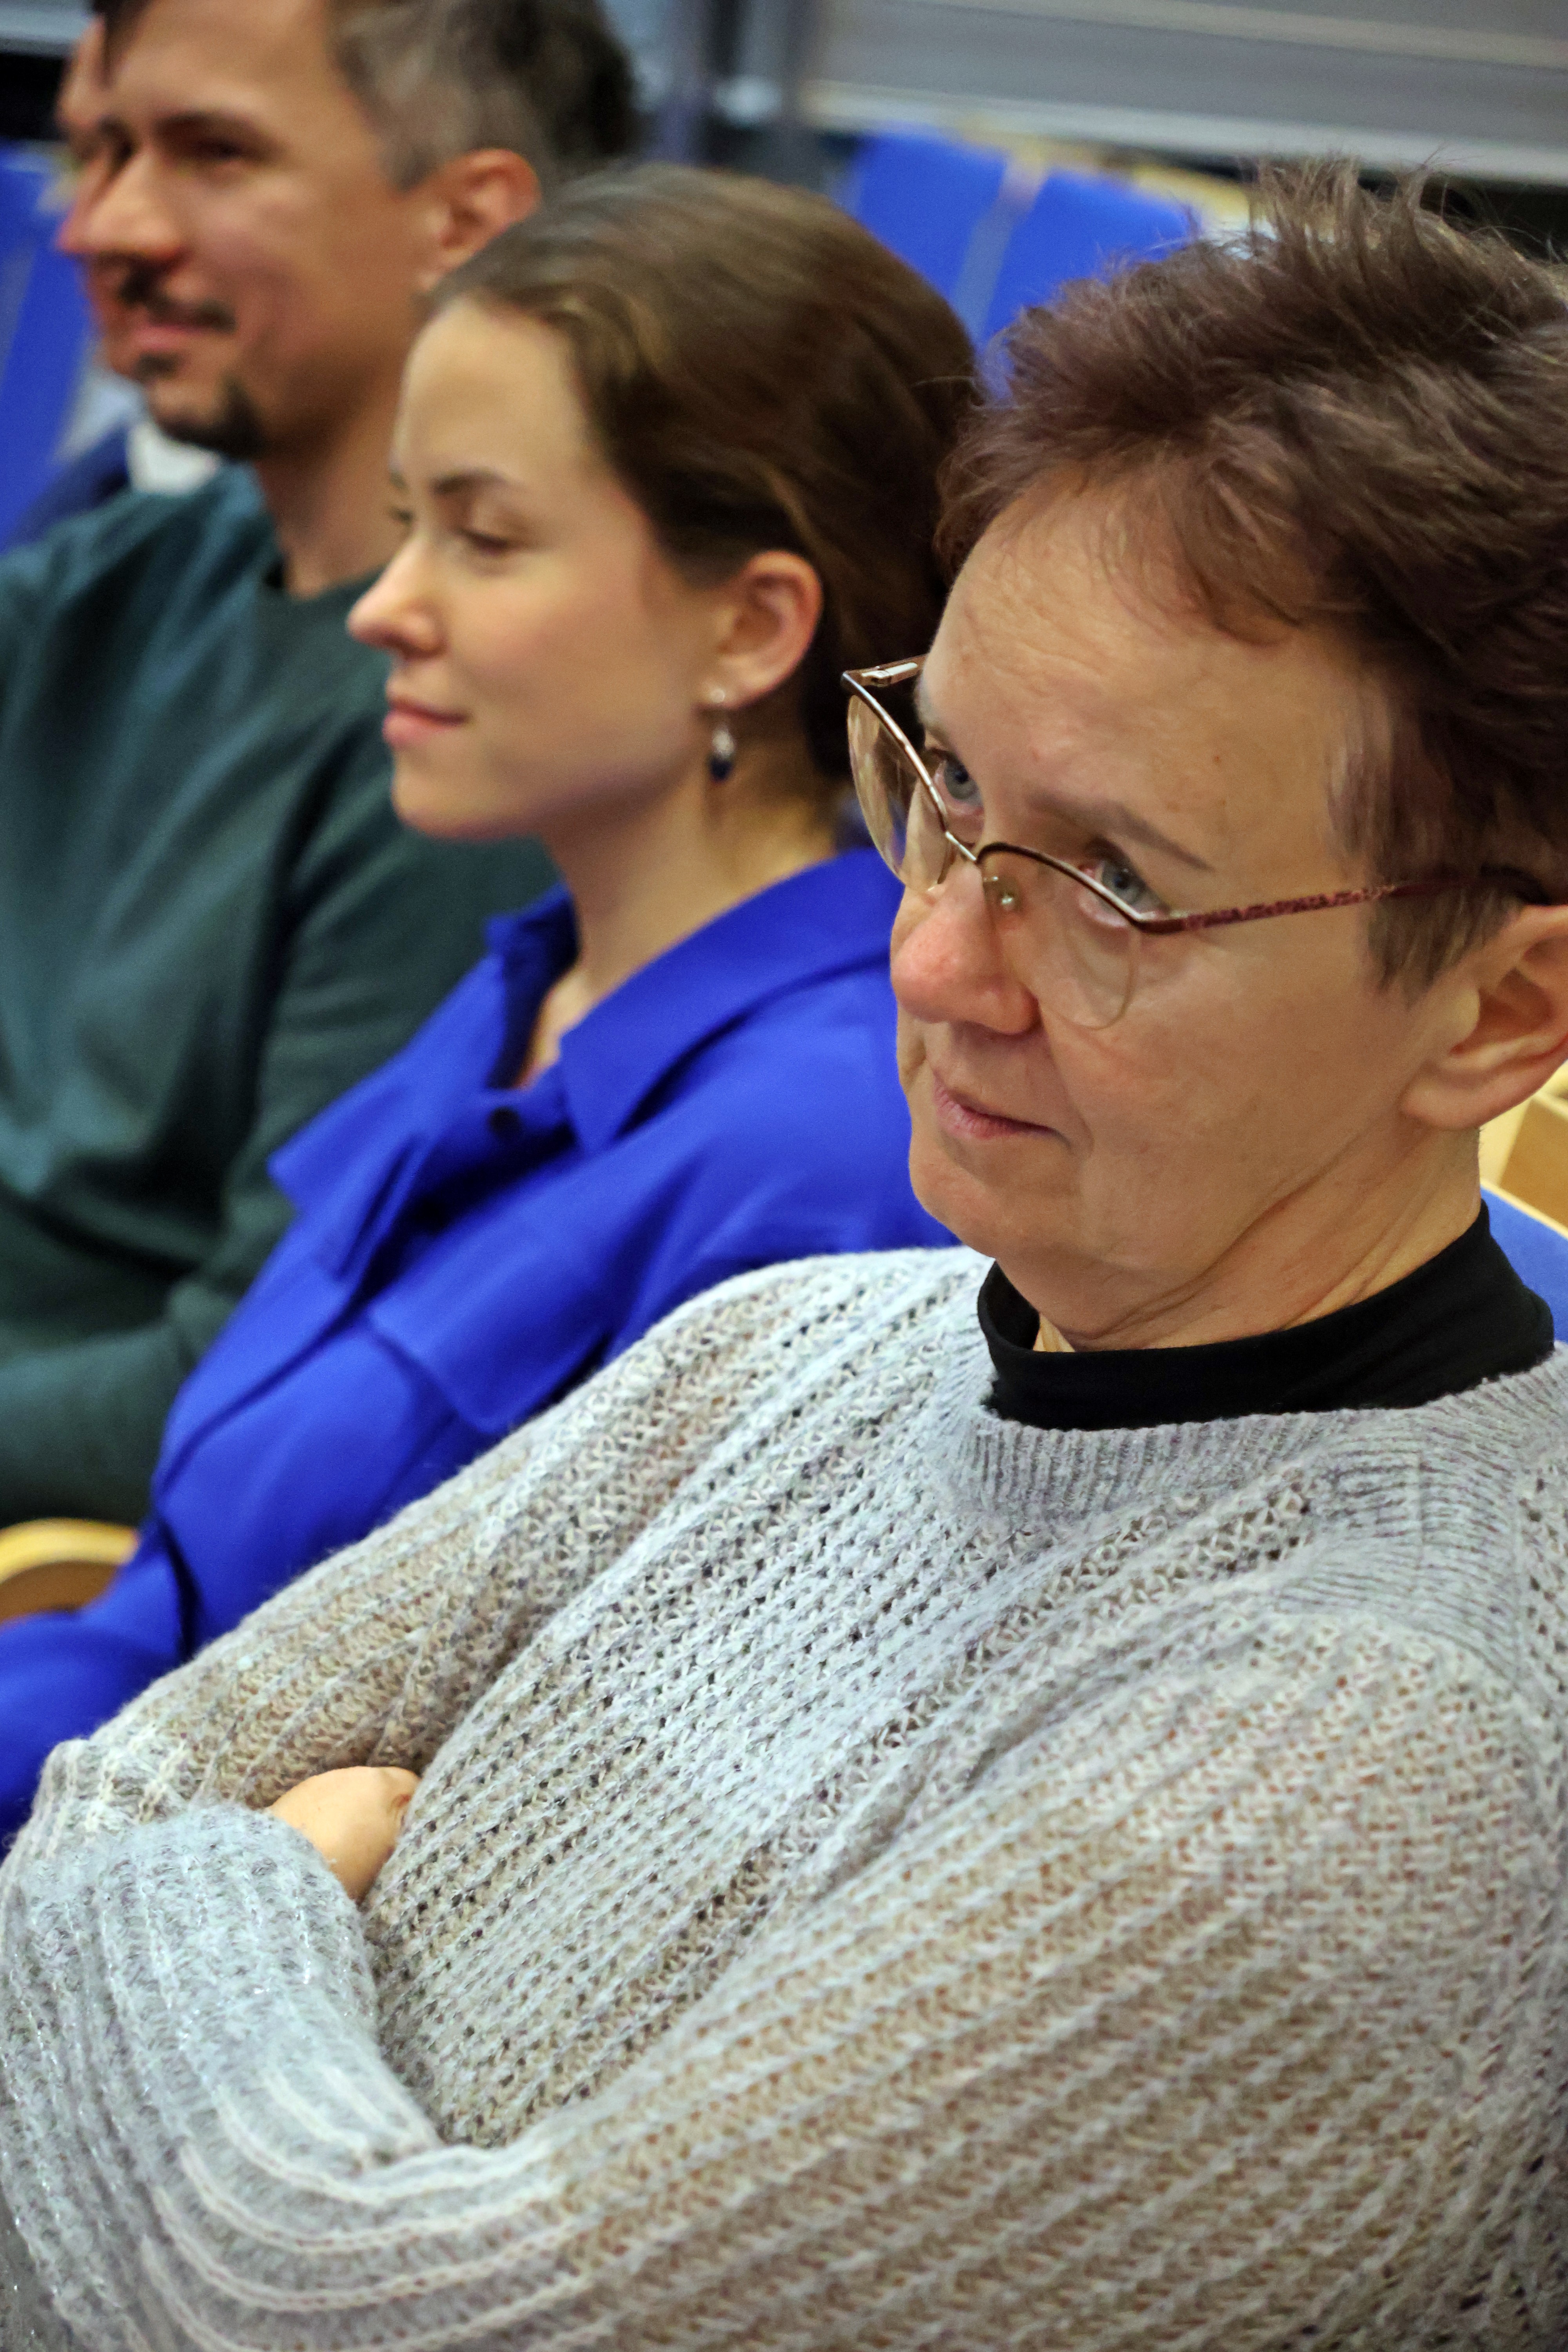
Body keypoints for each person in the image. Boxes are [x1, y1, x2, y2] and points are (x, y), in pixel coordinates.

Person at [8, 164, 1568, 2350]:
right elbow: (112, 1786)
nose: (928, 961)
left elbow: (343, 2317)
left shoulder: (1349, 1774)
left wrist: (244, 1885)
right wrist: (240, 1899)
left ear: (1498, 1011)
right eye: (944, 788)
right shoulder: (803, 1346)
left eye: (1115, 886)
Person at [0, 165, 968, 1847]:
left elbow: (544, 1842)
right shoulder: (533, 985)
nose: (386, 605)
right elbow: (174, 1608)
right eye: (405, 522)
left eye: (485, 537)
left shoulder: (821, 1165)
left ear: (750, 628)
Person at [0, 0, 633, 1532]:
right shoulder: (114, 580)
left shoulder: (463, 739)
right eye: (101, 154)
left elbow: (240, 1388)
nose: (103, 229)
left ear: (465, 222)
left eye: (213, 154)